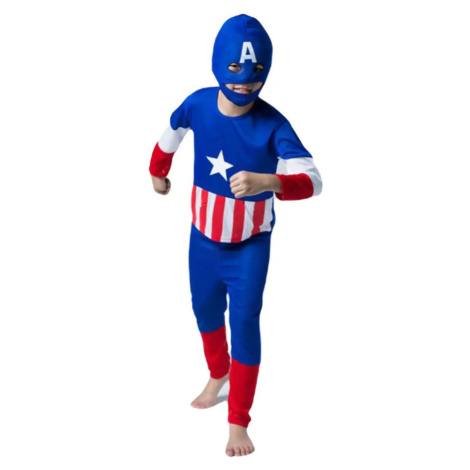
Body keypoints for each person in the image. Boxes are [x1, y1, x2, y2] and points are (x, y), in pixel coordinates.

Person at [149, 14, 322, 457]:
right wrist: (157, 172)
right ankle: (218, 374)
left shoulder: (273, 124)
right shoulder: (198, 103)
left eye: (256, 70)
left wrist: (270, 181)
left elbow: (314, 180)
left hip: (250, 246)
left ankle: (238, 420)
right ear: (218, 64)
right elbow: (172, 132)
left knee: (244, 322)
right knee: (204, 308)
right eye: (234, 68)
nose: (245, 80)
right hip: (203, 238)